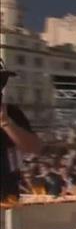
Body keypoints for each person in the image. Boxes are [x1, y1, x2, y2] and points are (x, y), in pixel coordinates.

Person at [0, 58, 42, 202]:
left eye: (2, 81)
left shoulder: (12, 113)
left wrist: (6, 124)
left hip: (8, 198)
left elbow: (35, 147)